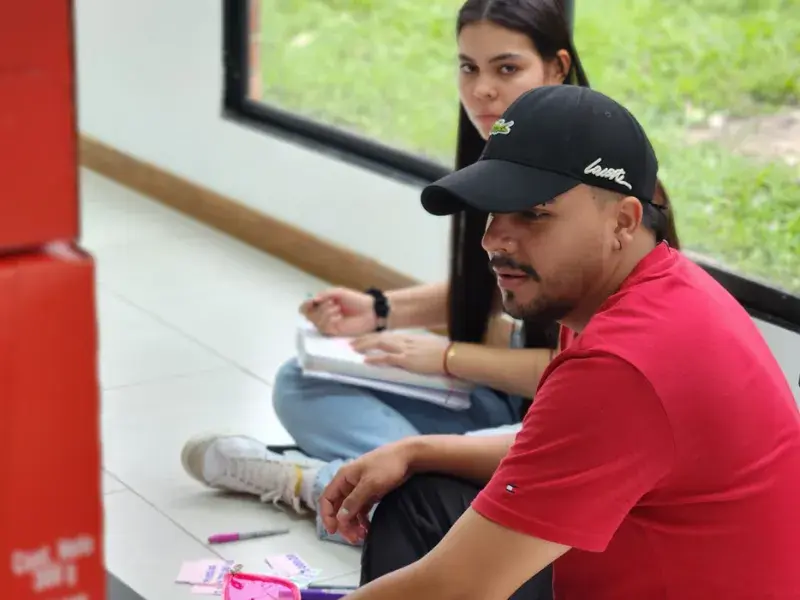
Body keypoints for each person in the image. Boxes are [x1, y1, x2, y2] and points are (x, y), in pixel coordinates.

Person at [179, 0, 679, 547]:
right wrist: (381, 309)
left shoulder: (604, 179)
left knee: (457, 471)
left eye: (506, 68)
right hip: (509, 403)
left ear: (557, 67)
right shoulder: (495, 155)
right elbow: (510, 279)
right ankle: (391, 486)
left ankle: (321, 484)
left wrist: (445, 357)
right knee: (299, 381)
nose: (482, 89)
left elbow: (597, 371)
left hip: (570, 420)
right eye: (468, 67)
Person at [318, 85, 800, 599]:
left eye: (533, 213)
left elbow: (452, 589)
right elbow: (554, 451)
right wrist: (415, 449)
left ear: (622, 220)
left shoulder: (623, 363)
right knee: (420, 494)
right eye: (492, 211)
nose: (492, 239)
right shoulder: (642, 287)